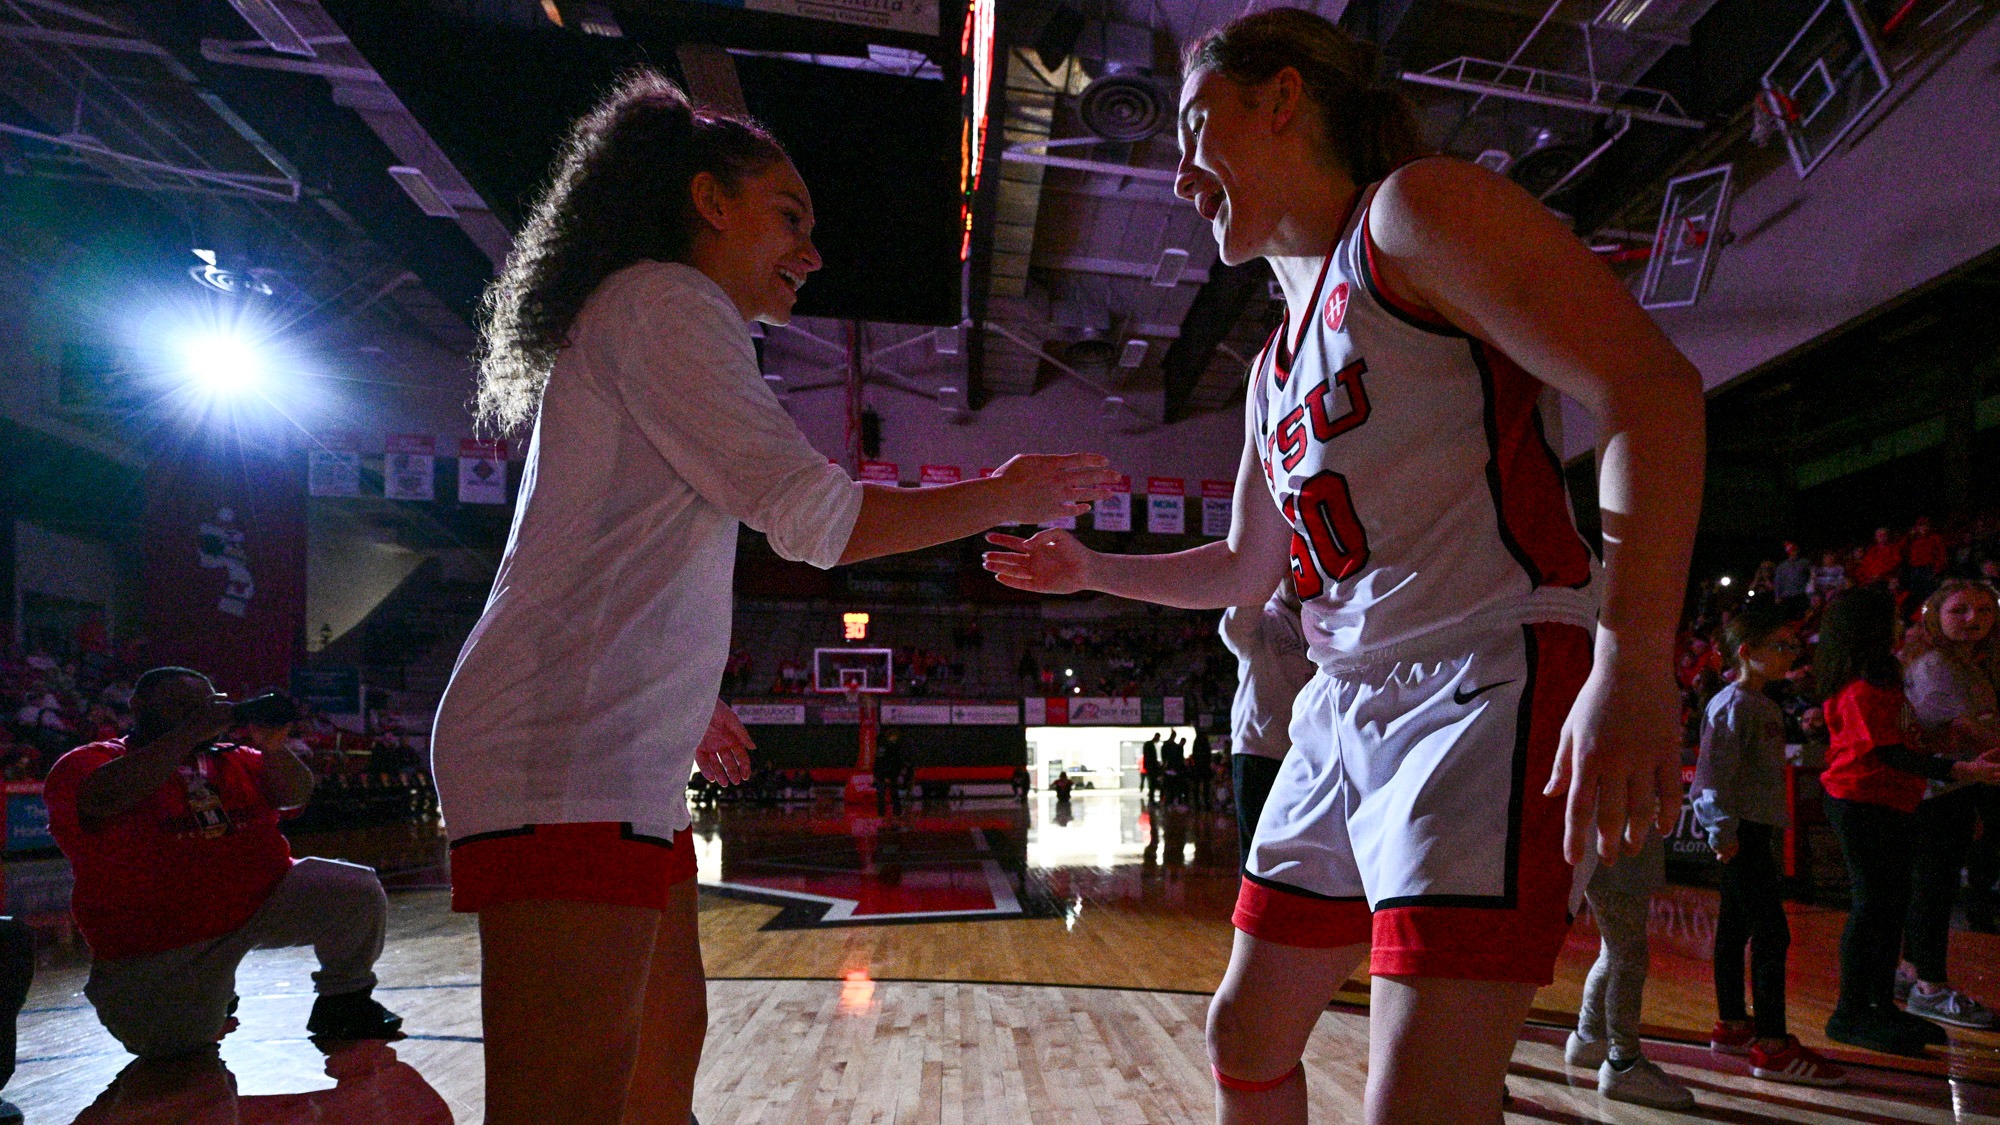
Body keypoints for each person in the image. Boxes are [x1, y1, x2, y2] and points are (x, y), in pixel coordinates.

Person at [981, 9, 1703, 1122]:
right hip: (1343, 698)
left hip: (1487, 675)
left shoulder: (1413, 212)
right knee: (1245, 1033)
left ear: (1281, 100)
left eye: (1192, 128)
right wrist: (1093, 570)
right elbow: (1238, 568)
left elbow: (1646, 390)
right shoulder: (1271, 360)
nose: (1177, 177)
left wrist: (1634, 657)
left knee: (1416, 1098)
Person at [429, 71, 1116, 1125]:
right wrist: (1006, 492)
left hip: (608, 737)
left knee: (660, 1072)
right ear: (709, 201)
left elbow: (602, 548)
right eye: (788, 217)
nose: (812, 251)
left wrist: (680, 695)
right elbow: (820, 523)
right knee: (563, 1103)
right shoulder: (667, 301)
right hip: (560, 743)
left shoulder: (649, 314)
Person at [43, 668, 401, 1060]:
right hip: (161, 935)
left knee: (353, 889)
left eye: (209, 705)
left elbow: (295, 794)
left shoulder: (232, 758)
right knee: (175, 1048)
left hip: (259, 903)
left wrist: (274, 746)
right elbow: (105, 799)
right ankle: (209, 988)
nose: (202, 714)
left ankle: (344, 1002)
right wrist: (187, 734)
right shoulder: (90, 762)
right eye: (184, 706)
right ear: (138, 707)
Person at [1816, 588, 2000, 1056]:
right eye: (1894, 619)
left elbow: (1904, 741)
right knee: (1872, 908)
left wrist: (1948, 742)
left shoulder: (1883, 677)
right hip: (1860, 802)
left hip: (1887, 801)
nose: (1905, 625)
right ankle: (1851, 1012)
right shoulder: (1860, 685)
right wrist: (1961, 770)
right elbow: (1886, 753)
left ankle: (1881, 1006)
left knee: (1889, 909)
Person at [1692, 604, 1846, 1086]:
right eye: (1779, 645)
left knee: (1735, 928)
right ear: (1746, 652)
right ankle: (1773, 1045)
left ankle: (1735, 1025)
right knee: (1771, 933)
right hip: (1743, 830)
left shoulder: (1760, 703)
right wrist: (1723, 834)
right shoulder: (1734, 705)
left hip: (1753, 827)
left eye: (1792, 645)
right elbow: (1711, 779)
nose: (1790, 654)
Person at [1895, 579, 2000, 1028]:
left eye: (1983, 609)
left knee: (1930, 888)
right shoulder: (1937, 667)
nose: (1974, 619)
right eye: (1960, 611)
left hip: (1956, 790)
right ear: (1933, 616)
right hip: (1935, 792)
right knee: (1932, 890)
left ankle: (1910, 972)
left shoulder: (1968, 665)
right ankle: (1930, 989)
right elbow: (1977, 734)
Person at [1564, 832, 1689, 1109]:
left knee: (1614, 948)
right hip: (1619, 844)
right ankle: (1624, 1064)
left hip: (1614, 843)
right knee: (1628, 954)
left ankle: (1590, 1038)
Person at [1219, 581, 1316, 863]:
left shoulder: (1321, 623)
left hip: (1308, 757)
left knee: (1306, 854)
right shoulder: (1260, 621)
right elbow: (1232, 626)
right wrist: (1262, 571)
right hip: (1259, 753)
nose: (1291, 575)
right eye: (1282, 567)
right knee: (1258, 857)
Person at [1772, 542, 1812, 622]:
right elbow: (1778, 582)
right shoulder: (1782, 566)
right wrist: (1777, 596)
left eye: (1796, 550)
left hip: (1801, 594)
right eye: (1793, 551)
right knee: (1789, 619)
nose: (1795, 553)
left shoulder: (1805, 562)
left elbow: (1812, 575)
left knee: (1802, 617)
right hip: (1787, 596)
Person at [1142, 733, 1162, 804]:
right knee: (1152, 782)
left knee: (1152, 782)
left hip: (1149, 767)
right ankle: (1151, 798)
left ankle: (1151, 798)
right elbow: (1151, 758)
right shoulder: (1150, 745)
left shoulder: (1148, 744)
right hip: (1151, 767)